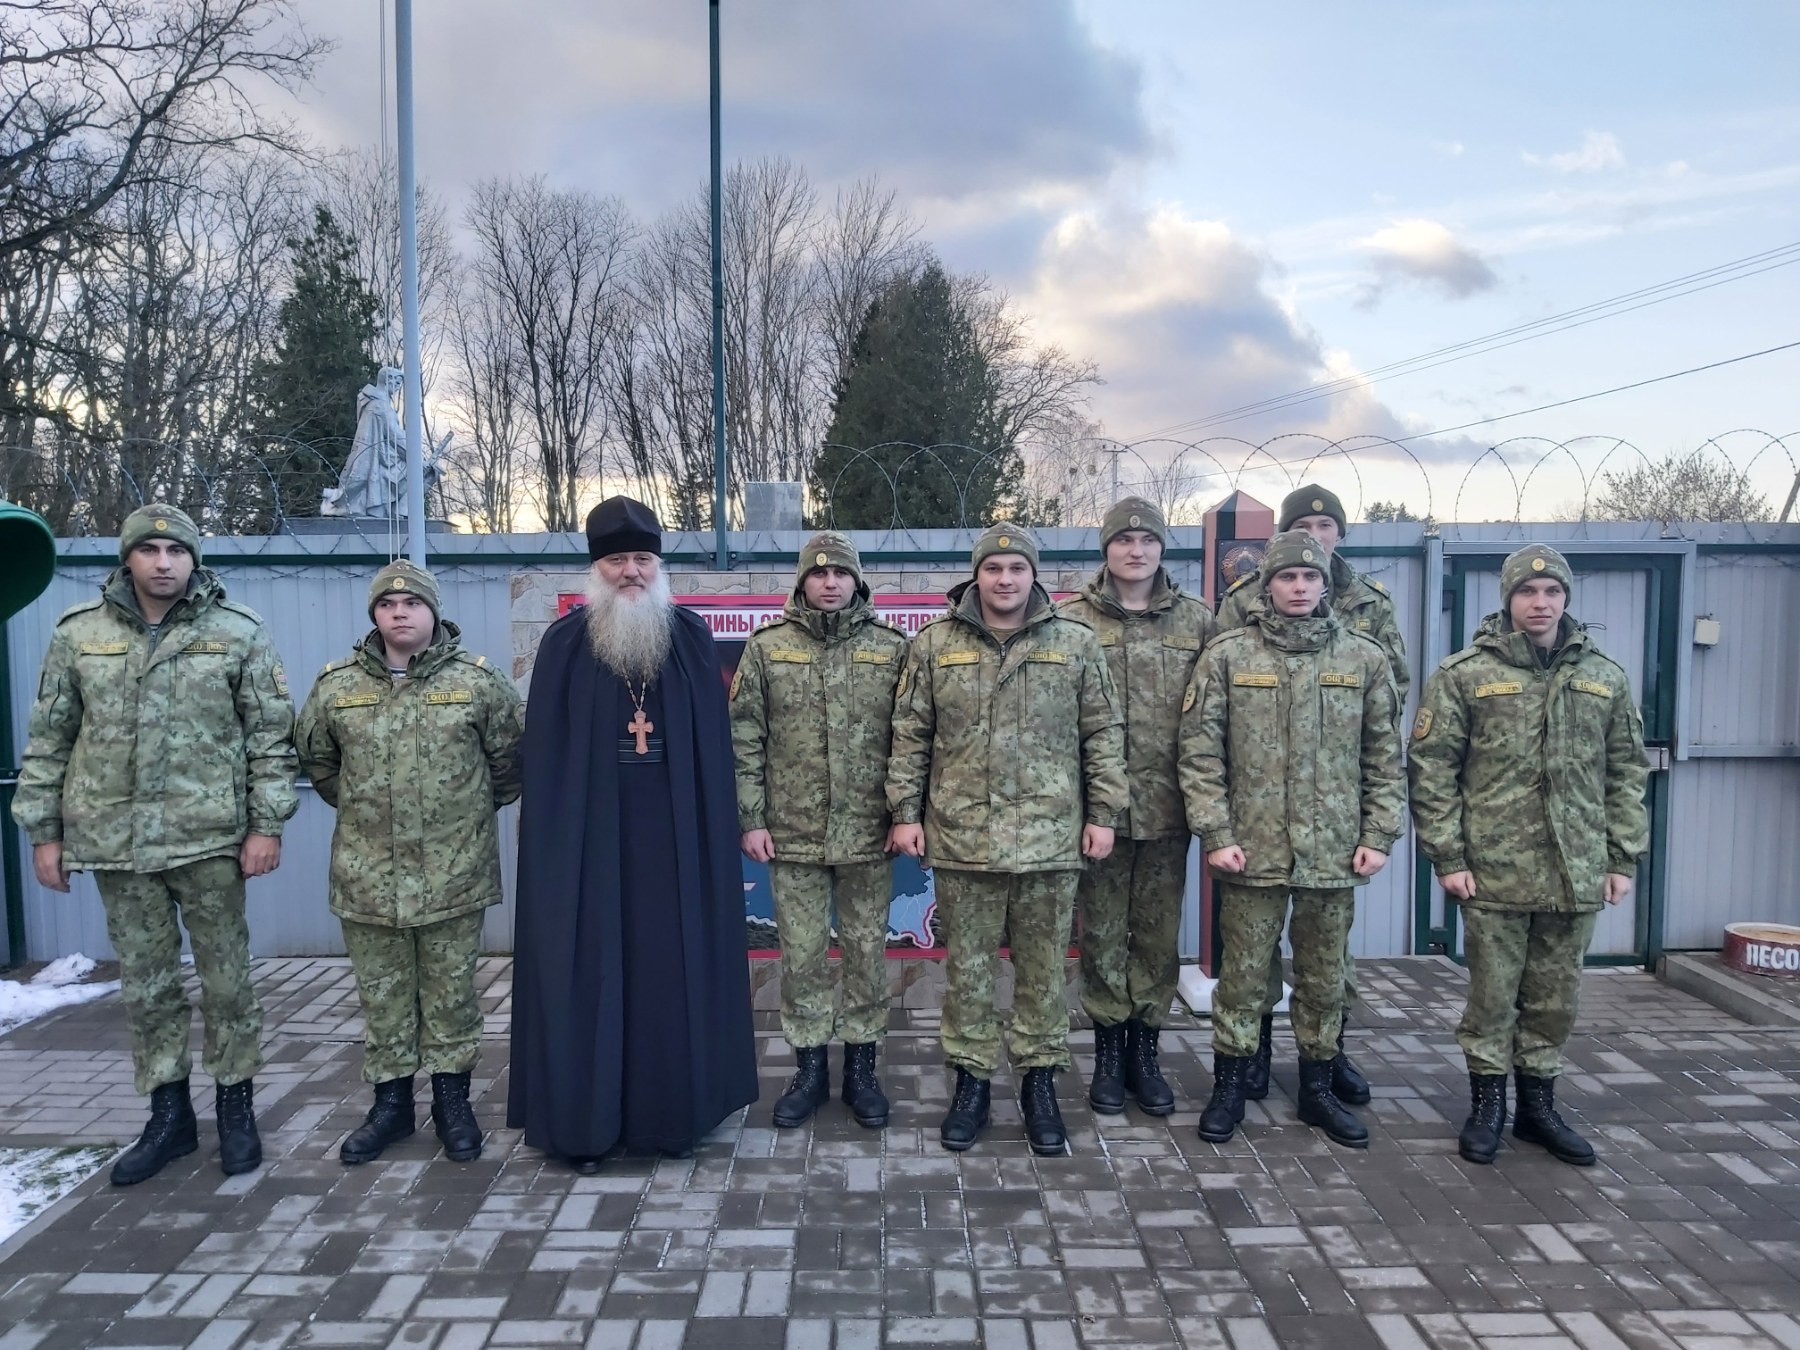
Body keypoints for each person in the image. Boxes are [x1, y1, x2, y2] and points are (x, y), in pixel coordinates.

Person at [13, 504, 296, 1185]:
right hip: (117, 842)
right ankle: (168, 1117)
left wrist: (267, 824)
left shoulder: (238, 633)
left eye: (176, 549)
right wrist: (44, 832)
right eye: (150, 550)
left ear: (194, 559)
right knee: (148, 986)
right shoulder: (79, 636)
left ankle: (235, 1109)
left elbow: (269, 738)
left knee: (228, 982)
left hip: (210, 841)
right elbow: (51, 738)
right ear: (128, 559)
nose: (163, 561)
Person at [509, 496, 757, 1170]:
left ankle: (673, 1118)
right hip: (592, 839)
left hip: (675, 837)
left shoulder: (691, 639)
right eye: (617, 559)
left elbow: (712, 751)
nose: (631, 572)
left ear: (659, 565)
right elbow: (549, 761)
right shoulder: (564, 645)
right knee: (590, 969)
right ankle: (584, 1125)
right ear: (597, 568)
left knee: (671, 971)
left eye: (642, 559)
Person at [888, 523, 1126, 1155]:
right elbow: (911, 735)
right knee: (966, 971)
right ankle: (970, 1085)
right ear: (977, 576)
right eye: (993, 569)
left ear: (1033, 575)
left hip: (1049, 838)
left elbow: (1102, 734)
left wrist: (1103, 814)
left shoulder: (1075, 642)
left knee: (1044, 971)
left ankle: (1039, 1085)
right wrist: (904, 812)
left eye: (1016, 569)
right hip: (965, 837)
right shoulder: (935, 645)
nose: (1005, 580)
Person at [1409, 544, 1648, 1168]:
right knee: (1492, 995)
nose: (1540, 604)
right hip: (1493, 867)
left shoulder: (1603, 677)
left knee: (1554, 997)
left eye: (1551, 593)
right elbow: (1433, 771)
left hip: (1575, 868)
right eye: (1527, 593)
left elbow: (1625, 771)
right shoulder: (1465, 674)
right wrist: (1448, 855)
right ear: (1508, 599)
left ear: (1566, 599)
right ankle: (1487, 1106)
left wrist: (1621, 858)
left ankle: (1538, 1109)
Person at [1179, 529, 1404, 1150]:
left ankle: (1318, 1087)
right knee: (1245, 974)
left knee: (1323, 975)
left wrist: (1380, 833)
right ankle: (1230, 1084)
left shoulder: (1363, 658)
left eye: (1311, 578)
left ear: (1327, 585)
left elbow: (1385, 755)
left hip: (1335, 849)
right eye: (1287, 578)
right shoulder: (1228, 655)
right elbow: (1200, 753)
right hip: (1251, 849)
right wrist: (1216, 832)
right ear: (1266, 585)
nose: (1299, 588)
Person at [297, 561, 524, 1165]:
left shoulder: (478, 683)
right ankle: (391, 1107)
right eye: (388, 603)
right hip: (368, 876)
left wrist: (461, 816)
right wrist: (370, 814)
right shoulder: (336, 686)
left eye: (412, 603)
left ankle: (453, 1104)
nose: (400, 612)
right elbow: (319, 765)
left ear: (434, 612)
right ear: (374, 614)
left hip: (454, 872)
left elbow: (510, 763)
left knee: (451, 995)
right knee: (383, 997)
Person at [731, 533, 908, 1130]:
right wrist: (751, 819)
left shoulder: (891, 649)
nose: (829, 583)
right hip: (793, 833)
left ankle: (861, 1069)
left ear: (858, 582)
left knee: (865, 951)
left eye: (841, 574)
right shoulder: (767, 649)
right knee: (802, 955)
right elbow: (745, 740)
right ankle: (809, 1070)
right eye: (818, 573)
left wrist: (904, 812)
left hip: (868, 831)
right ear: (802, 582)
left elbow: (912, 738)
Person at [1056, 497, 1216, 1117]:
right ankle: (1107, 1054)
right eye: (1123, 540)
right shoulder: (1070, 622)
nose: (1136, 550)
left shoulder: (1198, 623)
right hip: (1096, 813)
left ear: (1161, 550)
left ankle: (1145, 1057)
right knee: (1098, 935)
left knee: (1154, 937)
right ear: (1106, 549)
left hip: (1168, 808)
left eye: (1147, 540)